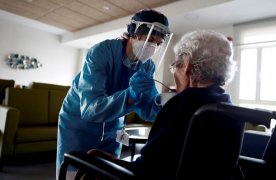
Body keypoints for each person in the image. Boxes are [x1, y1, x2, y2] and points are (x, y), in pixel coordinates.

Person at [83, 30, 239, 179]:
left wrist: (109, 161)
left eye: (176, 65)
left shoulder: (181, 104)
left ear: (187, 66)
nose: (174, 71)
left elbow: (145, 172)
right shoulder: (228, 106)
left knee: (91, 157)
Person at [56, 8, 172, 179]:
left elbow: (147, 110)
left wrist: (165, 102)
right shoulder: (102, 52)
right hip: (78, 126)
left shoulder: (147, 66)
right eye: (150, 38)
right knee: (74, 174)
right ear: (133, 32)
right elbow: (90, 110)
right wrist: (131, 96)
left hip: (113, 127)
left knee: (107, 174)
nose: (153, 46)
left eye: (158, 43)